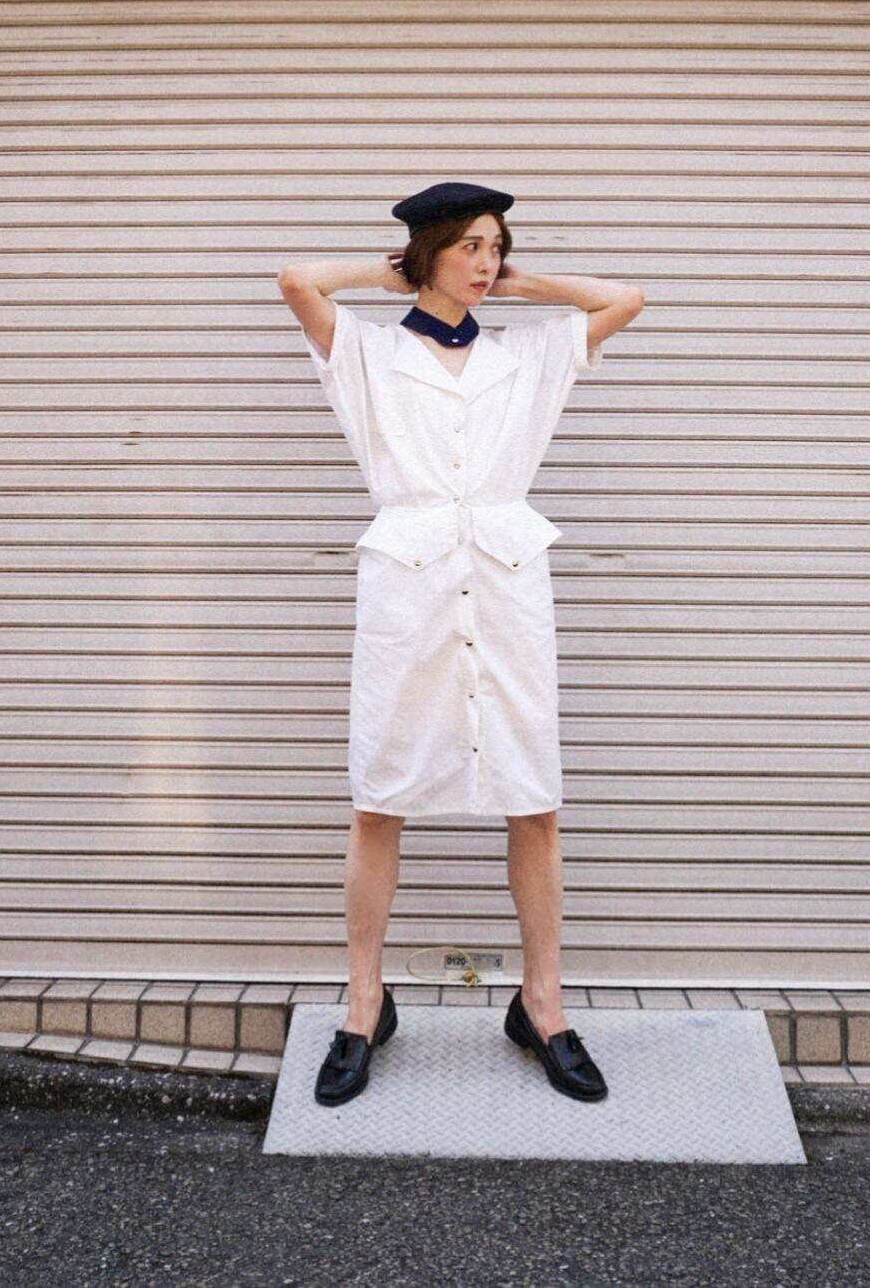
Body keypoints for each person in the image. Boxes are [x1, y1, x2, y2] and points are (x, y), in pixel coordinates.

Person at [276, 182, 645, 1107]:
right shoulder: (366, 352)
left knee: (534, 798)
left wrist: (524, 286)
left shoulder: (527, 357)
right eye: (470, 246)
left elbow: (625, 299)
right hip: (408, 591)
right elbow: (296, 280)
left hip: (509, 589)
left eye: (496, 246)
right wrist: (391, 274)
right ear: (429, 250)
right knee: (379, 798)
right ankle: (365, 1005)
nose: (486, 261)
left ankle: (542, 1005)